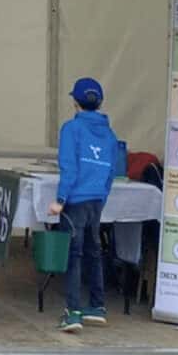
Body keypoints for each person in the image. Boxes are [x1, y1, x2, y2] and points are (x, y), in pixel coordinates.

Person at [47, 77, 118, 333]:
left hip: (75, 200)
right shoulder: (110, 135)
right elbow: (111, 172)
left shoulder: (71, 129)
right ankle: (97, 306)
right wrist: (101, 195)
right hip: (97, 200)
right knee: (94, 251)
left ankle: (73, 311)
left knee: (73, 255)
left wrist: (60, 200)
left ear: (75, 102)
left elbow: (69, 168)